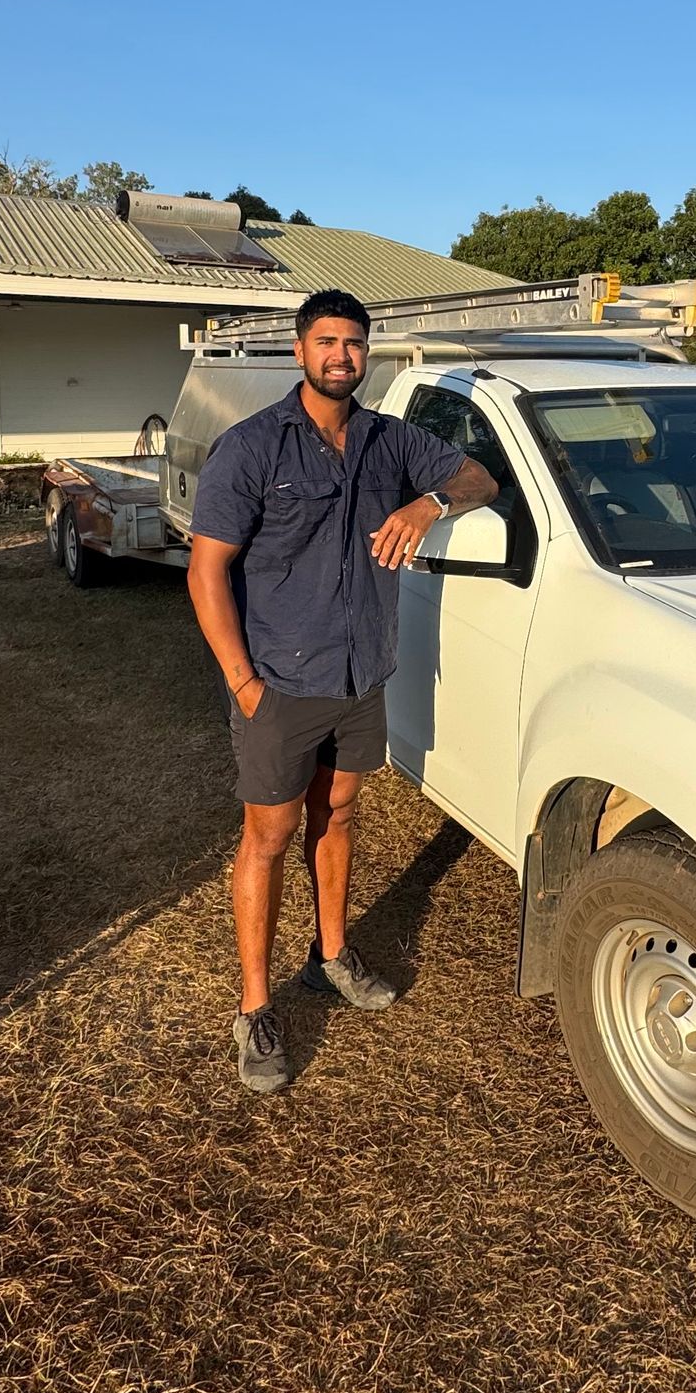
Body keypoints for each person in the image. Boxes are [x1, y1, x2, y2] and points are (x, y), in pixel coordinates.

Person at [186, 289, 500, 1092]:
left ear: (368, 354)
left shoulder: (390, 441)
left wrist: (428, 504)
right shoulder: (251, 448)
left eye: (354, 344)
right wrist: (243, 683)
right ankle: (256, 1005)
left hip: (363, 673)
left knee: (340, 813)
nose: (341, 356)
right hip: (281, 683)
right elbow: (206, 570)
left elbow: (480, 477)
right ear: (300, 350)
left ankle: (330, 957)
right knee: (269, 835)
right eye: (326, 342)